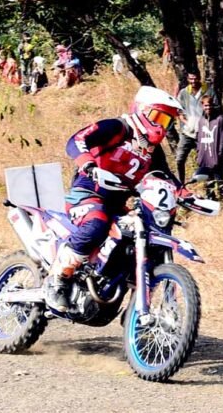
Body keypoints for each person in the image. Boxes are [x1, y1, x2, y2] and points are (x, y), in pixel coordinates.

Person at [46, 86, 187, 311]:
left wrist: (187, 195)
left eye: (168, 121)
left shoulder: (152, 151)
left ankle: (138, 310)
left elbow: (166, 177)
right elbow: (77, 140)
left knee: (141, 239)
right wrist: (89, 164)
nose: (161, 125)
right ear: (142, 110)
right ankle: (58, 280)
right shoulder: (118, 127)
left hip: (118, 204)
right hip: (88, 193)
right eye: (158, 116)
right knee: (96, 224)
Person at [176, 70, 217, 183]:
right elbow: (179, 112)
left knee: (206, 162)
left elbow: (216, 109)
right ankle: (181, 185)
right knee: (179, 159)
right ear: (188, 79)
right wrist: (186, 122)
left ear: (199, 78)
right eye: (191, 79)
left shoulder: (208, 91)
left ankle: (210, 189)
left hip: (203, 133)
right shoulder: (183, 93)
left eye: (195, 79)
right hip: (187, 132)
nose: (193, 81)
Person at [196, 95, 223, 199]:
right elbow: (199, 139)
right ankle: (210, 198)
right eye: (206, 105)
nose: (208, 108)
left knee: (219, 178)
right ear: (202, 106)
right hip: (205, 156)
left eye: (210, 105)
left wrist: (220, 154)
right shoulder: (201, 121)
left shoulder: (220, 119)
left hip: (216, 155)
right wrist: (199, 153)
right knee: (207, 179)